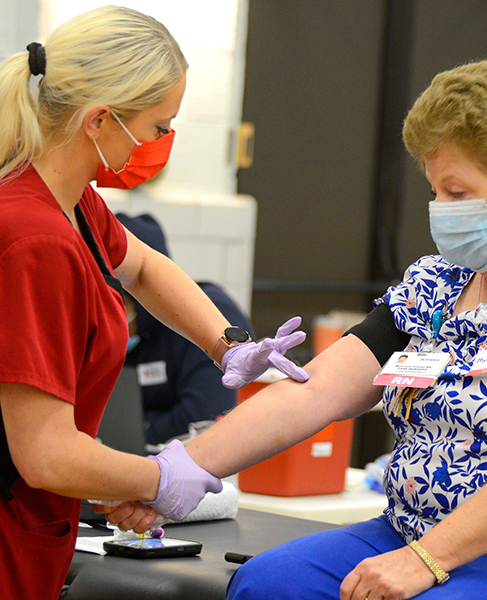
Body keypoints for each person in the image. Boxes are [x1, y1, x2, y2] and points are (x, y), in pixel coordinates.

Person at [103, 59, 487, 599]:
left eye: (457, 193)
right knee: (267, 584)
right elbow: (313, 393)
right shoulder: (434, 284)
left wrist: (426, 560)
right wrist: (171, 475)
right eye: (435, 192)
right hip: (407, 529)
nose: (440, 210)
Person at [0, 7, 308, 600]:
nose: (162, 142)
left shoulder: (71, 204)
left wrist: (227, 343)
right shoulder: (35, 238)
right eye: (159, 126)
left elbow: (142, 266)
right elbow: (43, 454)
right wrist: (161, 477)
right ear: (98, 120)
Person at [116, 212, 256, 445]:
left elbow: (207, 415)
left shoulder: (205, 312)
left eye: (121, 302)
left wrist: (139, 432)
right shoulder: (112, 336)